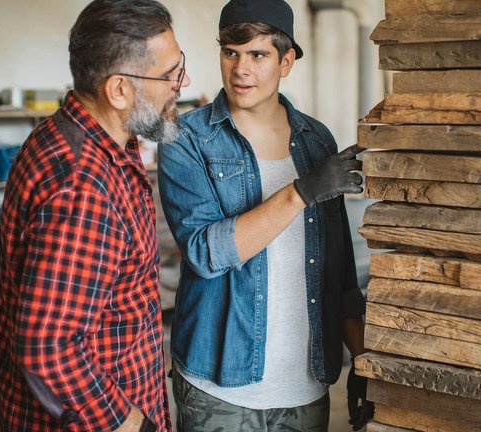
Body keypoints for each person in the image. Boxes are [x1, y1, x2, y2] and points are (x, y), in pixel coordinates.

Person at [157, 0, 372, 430]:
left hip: (306, 385)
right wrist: (301, 192)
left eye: (258, 54)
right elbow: (204, 253)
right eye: (230, 52)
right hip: (219, 388)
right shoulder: (186, 139)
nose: (241, 69)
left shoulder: (316, 140)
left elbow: (340, 269)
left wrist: (362, 360)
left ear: (286, 60)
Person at [0, 0, 189, 430]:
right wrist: (127, 421)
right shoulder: (83, 183)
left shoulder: (83, 136)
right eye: (171, 73)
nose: (184, 81)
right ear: (119, 89)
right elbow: (51, 345)